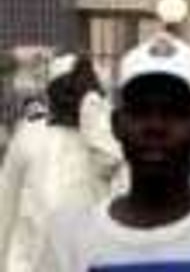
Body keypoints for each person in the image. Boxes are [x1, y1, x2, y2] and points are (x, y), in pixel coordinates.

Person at [39, 33, 190, 271]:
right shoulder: (67, 240)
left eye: (175, 111)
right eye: (140, 110)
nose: (155, 126)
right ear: (116, 125)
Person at [0, 54, 121, 272]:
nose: (71, 96)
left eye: (78, 89)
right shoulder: (30, 133)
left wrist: (91, 110)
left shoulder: (104, 135)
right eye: (67, 88)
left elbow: (110, 161)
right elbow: (5, 205)